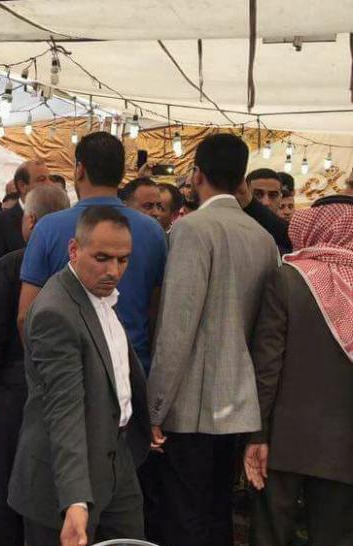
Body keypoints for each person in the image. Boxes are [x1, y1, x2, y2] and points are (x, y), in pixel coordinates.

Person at [148, 134, 279, 546]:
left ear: (196, 175)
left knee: (183, 515)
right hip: (238, 401)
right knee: (216, 511)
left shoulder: (192, 229)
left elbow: (177, 327)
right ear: (241, 180)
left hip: (191, 403)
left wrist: (155, 406)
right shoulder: (262, 237)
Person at [9, 205, 151, 546]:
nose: (113, 271)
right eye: (102, 258)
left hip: (116, 461)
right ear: (74, 250)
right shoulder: (55, 313)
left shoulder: (99, 295)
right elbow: (64, 412)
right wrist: (74, 500)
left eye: (123, 260)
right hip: (63, 478)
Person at [246, 195, 353, 546]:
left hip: (283, 440)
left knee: (270, 535)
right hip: (344, 444)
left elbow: (267, 365)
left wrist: (256, 435)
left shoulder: (288, 278)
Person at [19, 131, 167, 374]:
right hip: (133, 367)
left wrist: (42, 371)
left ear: (79, 170)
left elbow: (26, 316)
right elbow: (157, 311)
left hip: (65, 368)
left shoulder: (48, 228)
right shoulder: (153, 231)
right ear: (122, 173)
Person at [0, 185, 70, 546]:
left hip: (16, 380)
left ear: (30, 220)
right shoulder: (77, 261)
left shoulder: (13, 263)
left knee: (8, 467)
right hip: (64, 378)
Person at [0, 160, 52, 264]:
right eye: (42, 179)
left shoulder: (55, 218)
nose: (49, 184)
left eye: (50, 179)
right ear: (22, 186)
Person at [236, 170, 292, 253]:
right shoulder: (234, 230)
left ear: (280, 198)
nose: (266, 202)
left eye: (273, 195)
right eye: (258, 194)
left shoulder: (291, 235)